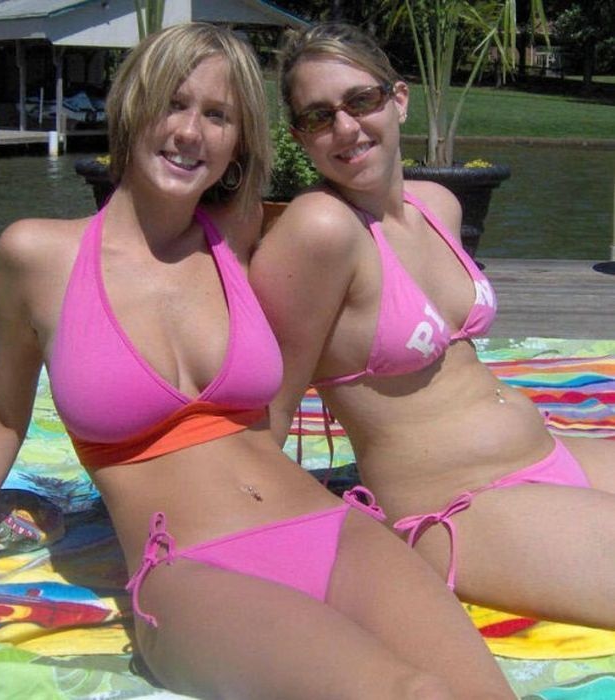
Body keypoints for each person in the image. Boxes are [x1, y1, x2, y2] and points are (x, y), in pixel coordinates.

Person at [0, 23, 514, 700]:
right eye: (173, 103)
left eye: (218, 116)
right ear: (131, 106)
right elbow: (5, 418)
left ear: (239, 143)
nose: (191, 132)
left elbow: (363, 228)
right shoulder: (37, 256)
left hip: (333, 531)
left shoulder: (238, 236)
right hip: (191, 569)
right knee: (411, 694)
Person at [251, 21, 615, 632]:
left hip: (548, 452)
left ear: (398, 99)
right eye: (319, 116)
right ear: (299, 137)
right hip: (462, 505)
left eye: (361, 101)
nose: (346, 127)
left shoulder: (436, 205)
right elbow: (267, 410)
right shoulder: (320, 230)